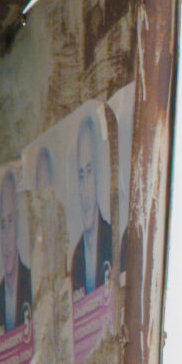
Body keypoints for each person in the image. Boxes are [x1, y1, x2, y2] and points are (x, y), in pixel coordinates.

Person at [70, 113, 114, 295]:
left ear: (98, 175)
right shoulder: (77, 257)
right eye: (80, 175)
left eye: (89, 171)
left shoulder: (112, 240)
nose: (85, 188)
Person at [0, 168, 31, 333]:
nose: (6, 237)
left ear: (19, 224)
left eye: (10, 221)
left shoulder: (30, 285)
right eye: (2, 225)